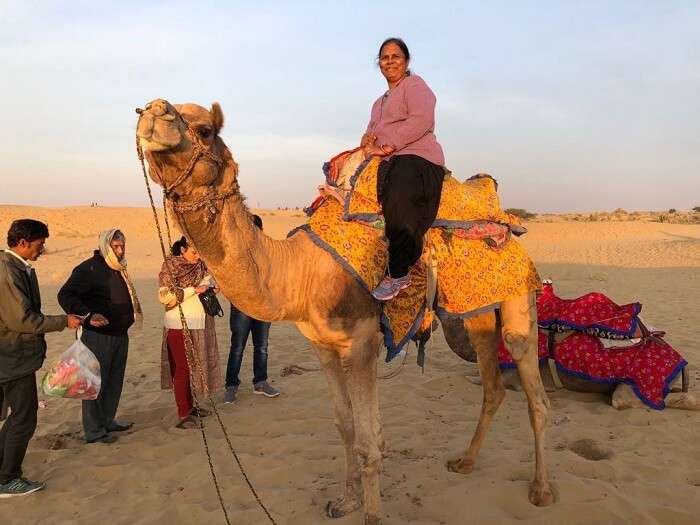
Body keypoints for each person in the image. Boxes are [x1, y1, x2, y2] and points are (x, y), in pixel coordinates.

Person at [0, 219, 82, 497]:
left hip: (15, 356)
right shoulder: (8, 270)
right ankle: (8, 478)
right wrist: (63, 321)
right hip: (12, 357)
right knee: (24, 418)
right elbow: (22, 319)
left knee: (17, 416)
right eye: (39, 244)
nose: (42, 249)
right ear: (22, 243)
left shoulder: (16, 266)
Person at [361, 37, 446, 301]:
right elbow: (370, 133)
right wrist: (367, 142)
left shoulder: (415, 86)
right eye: (384, 58)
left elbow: (422, 119)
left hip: (417, 158)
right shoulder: (379, 103)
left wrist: (388, 146)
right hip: (388, 160)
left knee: (399, 194)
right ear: (379, 64)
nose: (390, 62)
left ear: (406, 61)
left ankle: (398, 272)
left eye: (395, 56)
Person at [58, 229, 142, 444]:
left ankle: (107, 421)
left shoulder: (118, 268)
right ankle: (94, 431)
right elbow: (65, 294)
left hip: (119, 335)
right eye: (116, 246)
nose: (120, 250)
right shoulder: (89, 269)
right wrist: (88, 315)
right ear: (106, 245)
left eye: (122, 245)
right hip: (98, 336)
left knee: (114, 382)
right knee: (94, 384)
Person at [158, 237, 222, 429]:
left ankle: (192, 407)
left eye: (199, 252)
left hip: (200, 323)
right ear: (183, 248)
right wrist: (194, 290)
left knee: (195, 368)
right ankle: (183, 413)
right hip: (179, 325)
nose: (197, 257)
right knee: (183, 369)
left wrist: (211, 289)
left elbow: (207, 285)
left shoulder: (201, 265)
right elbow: (165, 297)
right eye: (194, 252)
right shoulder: (171, 266)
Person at [224, 215, 280, 403]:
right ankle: (231, 386)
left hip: (264, 306)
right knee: (237, 347)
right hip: (242, 307)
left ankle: (260, 382)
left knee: (262, 347)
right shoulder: (236, 253)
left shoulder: (269, 253)